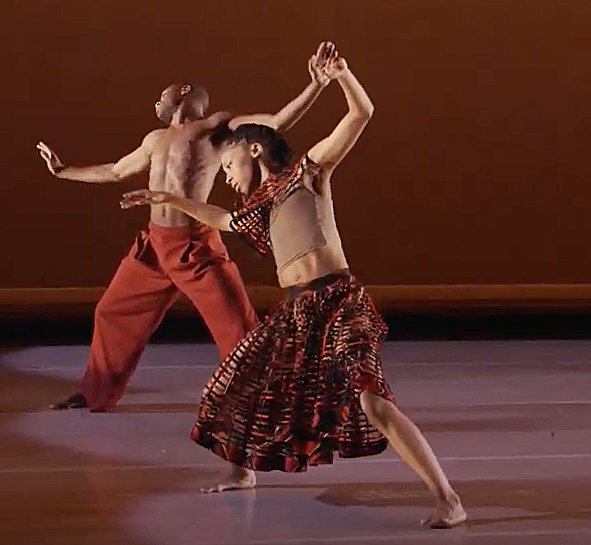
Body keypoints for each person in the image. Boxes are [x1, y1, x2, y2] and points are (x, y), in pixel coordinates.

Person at [120, 44, 467, 529]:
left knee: (371, 401)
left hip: (339, 301)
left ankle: (448, 499)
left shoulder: (308, 174)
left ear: (254, 149)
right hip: (297, 311)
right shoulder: (258, 207)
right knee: (236, 383)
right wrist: (166, 197)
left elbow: (361, 113)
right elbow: (222, 217)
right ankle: (242, 474)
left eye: (227, 165)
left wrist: (343, 76)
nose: (225, 173)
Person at [35, 43, 334, 412]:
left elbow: (275, 123)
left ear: (183, 93)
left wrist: (316, 86)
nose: (155, 103)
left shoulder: (216, 127)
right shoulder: (154, 140)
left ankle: (272, 397)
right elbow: (115, 170)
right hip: (153, 245)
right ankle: (93, 393)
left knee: (237, 326)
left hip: (195, 245)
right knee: (111, 312)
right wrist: (64, 171)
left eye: (161, 96)